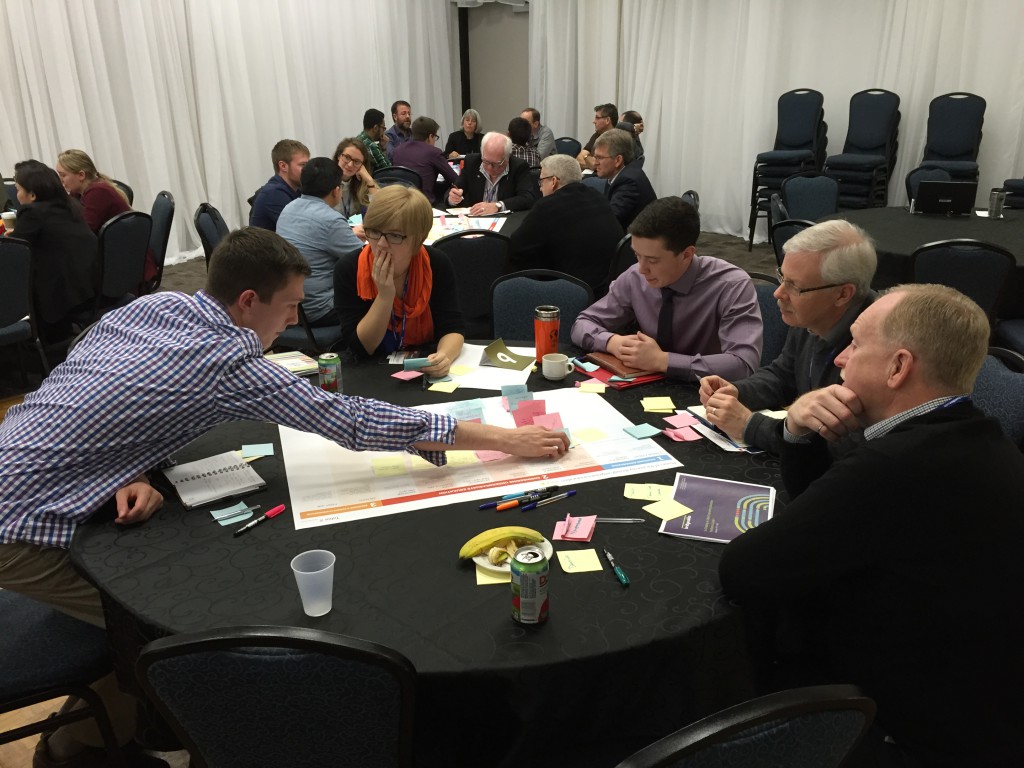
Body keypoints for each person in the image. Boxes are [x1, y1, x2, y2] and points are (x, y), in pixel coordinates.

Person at [0, 225, 568, 766]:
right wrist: (503, 438)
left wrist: (130, 465)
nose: (296, 318)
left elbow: (90, 391)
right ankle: (97, 745)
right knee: (158, 630)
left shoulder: (149, 306)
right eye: (291, 306)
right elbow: (350, 422)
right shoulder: (228, 362)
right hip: (18, 523)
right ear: (248, 301)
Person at [719, 284, 1024, 768]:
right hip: (983, 701)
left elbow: (744, 571)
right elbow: (831, 518)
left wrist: (795, 437)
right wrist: (798, 435)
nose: (839, 358)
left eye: (856, 344)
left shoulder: (896, 466)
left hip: (903, 728)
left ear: (898, 367)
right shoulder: (976, 436)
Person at [700, 220, 877, 454]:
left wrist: (749, 425)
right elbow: (783, 375)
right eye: (782, 278)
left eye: (795, 286)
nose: (778, 293)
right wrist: (738, 391)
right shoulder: (811, 317)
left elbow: (839, 444)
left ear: (843, 294)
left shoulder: (874, 348)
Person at [571, 196, 762, 381]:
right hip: (644, 389)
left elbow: (743, 364)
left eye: (653, 260)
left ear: (686, 254)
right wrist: (613, 342)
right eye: (637, 255)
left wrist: (662, 361)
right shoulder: (635, 276)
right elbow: (582, 324)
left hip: (705, 397)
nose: (642, 269)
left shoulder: (731, 285)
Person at [334, 186, 464, 377]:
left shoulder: (436, 263)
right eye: (374, 232)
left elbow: (453, 328)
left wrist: (444, 357)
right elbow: (361, 348)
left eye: (395, 235)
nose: (381, 244)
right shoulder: (349, 268)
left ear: (418, 240)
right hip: (371, 371)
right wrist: (385, 297)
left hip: (423, 365)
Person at [9, 159, 99, 343]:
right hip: (88, 285)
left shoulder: (32, 213)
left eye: (18, 189)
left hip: (59, 295)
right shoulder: (68, 205)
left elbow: (13, 255)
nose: (17, 195)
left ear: (32, 195)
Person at [506, 153, 623, 292]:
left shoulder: (547, 206)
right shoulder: (597, 196)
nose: (540, 188)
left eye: (541, 181)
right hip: (610, 285)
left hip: (573, 292)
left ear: (554, 181)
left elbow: (516, 246)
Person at [276, 157, 364, 327]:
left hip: (292, 306)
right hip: (321, 309)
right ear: (336, 190)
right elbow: (366, 261)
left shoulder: (289, 208)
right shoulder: (331, 220)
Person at [446, 132, 538, 215]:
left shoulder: (518, 166)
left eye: (496, 164)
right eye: (486, 161)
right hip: (474, 222)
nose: (489, 168)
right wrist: (452, 198)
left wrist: (498, 206)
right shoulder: (472, 162)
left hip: (504, 223)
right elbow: (454, 189)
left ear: (507, 158)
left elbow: (527, 198)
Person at [55, 149, 131, 235]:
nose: (60, 180)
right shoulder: (77, 192)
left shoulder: (98, 192)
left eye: (63, 175)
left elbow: (84, 231)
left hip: (121, 245)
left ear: (81, 175)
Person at [593, 128, 657, 229]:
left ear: (618, 160)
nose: (595, 163)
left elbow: (611, 221)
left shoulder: (628, 181)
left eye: (600, 158)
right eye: (595, 157)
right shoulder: (622, 174)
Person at [392, 116, 461, 205]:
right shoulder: (433, 152)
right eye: (435, 136)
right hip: (423, 205)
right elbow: (454, 179)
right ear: (430, 136)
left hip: (399, 203)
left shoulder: (397, 150)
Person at [249, 139, 310, 232]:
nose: (308, 170)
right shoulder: (273, 194)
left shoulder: (297, 190)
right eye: (303, 165)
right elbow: (304, 231)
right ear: (283, 166)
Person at [331, 138, 374, 227]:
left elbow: (380, 210)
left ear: (362, 165)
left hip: (355, 232)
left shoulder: (361, 183)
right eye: (347, 157)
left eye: (357, 161)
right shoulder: (324, 180)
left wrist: (369, 180)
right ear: (339, 156)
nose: (350, 164)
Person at [576, 103, 617, 171]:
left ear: (607, 120)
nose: (594, 121)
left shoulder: (616, 139)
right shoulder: (596, 135)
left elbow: (598, 164)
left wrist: (586, 158)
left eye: (597, 118)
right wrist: (589, 160)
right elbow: (579, 159)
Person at [356, 108, 391, 173]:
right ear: (375, 128)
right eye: (383, 128)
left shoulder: (358, 138)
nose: (384, 131)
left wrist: (381, 147)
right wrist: (384, 149)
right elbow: (388, 170)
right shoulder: (371, 145)